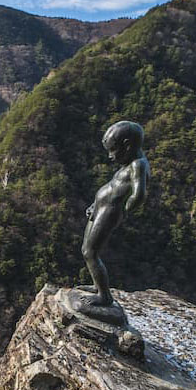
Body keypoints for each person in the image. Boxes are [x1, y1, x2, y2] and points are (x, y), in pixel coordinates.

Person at [81, 121, 150, 306]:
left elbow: (139, 193)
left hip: (110, 212)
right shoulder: (129, 163)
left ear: (127, 145)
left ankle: (104, 296)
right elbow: (113, 187)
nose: (111, 156)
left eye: (113, 150)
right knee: (86, 250)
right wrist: (94, 204)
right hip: (101, 208)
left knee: (90, 252)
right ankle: (98, 286)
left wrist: (126, 209)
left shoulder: (138, 165)